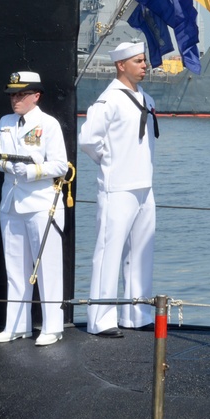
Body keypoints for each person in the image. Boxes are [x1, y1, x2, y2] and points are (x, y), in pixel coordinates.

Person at [78, 41, 159, 337]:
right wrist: (110, 162)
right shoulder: (108, 100)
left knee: (141, 252)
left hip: (144, 186)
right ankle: (100, 319)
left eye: (144, 60)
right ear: (120, 65)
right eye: (137, 61)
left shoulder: (145, 97)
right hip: (118, 187)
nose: (144, 65)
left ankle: (136, 314)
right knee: (108, 252)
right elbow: (88, 140)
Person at [0, 71, 68, 347]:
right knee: (15, 267)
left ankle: (52, 327)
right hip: (10, 201)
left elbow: (59, 166)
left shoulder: (49, 124)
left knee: (47, 268)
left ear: (36, 96)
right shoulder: (5, 123)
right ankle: (18, 325)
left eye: (20, 94)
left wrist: (30, 171)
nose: (15, 100)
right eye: (12, 94)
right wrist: (10, 165)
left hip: (41, 203)